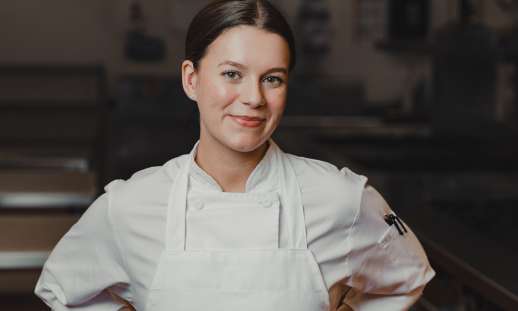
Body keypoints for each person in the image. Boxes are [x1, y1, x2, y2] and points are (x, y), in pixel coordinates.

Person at [34, 0, 435, 310]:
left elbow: (404, 280)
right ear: (191, 79)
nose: (253, 98)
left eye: (272, 79)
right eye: (232, 74)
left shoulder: (340, 199)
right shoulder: (130, 206)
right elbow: (64, 289)